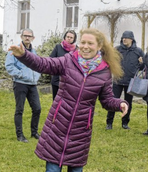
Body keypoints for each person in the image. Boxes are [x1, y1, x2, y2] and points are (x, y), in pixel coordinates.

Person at [8, 28, 129, 172]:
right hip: (57, 125)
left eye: (90, 43)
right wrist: (24, 55)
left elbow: (107, 100)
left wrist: (120, 103)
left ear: (99, 46)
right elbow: (44, 64)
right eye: (83, 42)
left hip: (81, 132)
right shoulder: (68, 60)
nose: (85, 46)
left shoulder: (104, 72)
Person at [5, 28, 41, 143]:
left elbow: (38, 65)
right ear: (21, 37)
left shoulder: (34, 52)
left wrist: (36, 75)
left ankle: (34, 132)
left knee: (37, 108)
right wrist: (21, 74)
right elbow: (9, 66)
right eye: (25, 35)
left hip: (32, 84)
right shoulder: (15, 50)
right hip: (20, 83)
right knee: (19, 109)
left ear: (33, 38)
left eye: (29, 36)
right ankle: (20, 135)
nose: (27, 38)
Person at [106, 31, 144, 130]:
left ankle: (125, 123)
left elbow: (142, 68)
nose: (124, 39)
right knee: (113, 101)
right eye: (123, 38)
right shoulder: (117, 50)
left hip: (130, 82)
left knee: (128, 103)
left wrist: (141, 63)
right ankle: (109, 123)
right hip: (118, 80)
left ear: (131, 39)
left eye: (126, 38)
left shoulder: (138, 51)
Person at [50, 30, 77, 100]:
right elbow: (51, 60)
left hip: (70, 81)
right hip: (57, 79)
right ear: (65, 37)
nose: (69, 38)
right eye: (67, 37)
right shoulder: (58, 47)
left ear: (74, 39)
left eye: (71, 37)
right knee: (56, 101)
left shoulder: (76, 50)